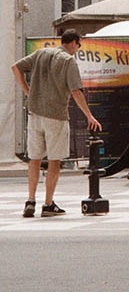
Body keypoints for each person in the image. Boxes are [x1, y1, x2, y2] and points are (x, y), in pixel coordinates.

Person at [11, 29, 102, 218]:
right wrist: (89, 115)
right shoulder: (68, 61)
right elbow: (76, 91)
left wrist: (28, 92)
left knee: (34, 159)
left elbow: (16, 67)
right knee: (54, 160)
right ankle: (48, 203)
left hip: (34, 113)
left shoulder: (41, 53)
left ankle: (30, 200)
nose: (78, 49)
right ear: (75, 42)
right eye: (79, 45)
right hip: (56, 115)